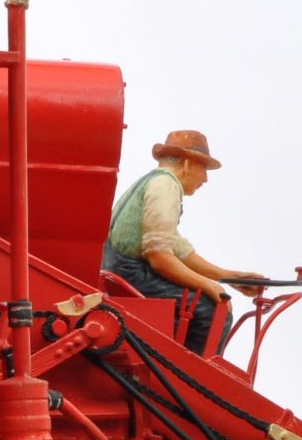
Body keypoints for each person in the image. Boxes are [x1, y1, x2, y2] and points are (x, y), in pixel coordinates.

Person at [101, 130, 266, 351]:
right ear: (187, 163)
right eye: (204, 169)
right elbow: (159, 257)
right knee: (211, 310)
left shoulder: (152, 182)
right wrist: (208, 285)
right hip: (130, 274)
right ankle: (192, 377)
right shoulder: (166, 186)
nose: (205, 179)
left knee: (204, 300)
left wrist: (229, 277)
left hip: (118, 269)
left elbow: (178, 250)